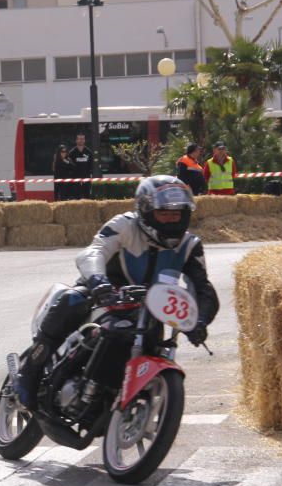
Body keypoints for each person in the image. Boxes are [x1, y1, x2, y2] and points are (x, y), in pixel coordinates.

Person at [14, 175, 219, 411]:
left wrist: (200, 321)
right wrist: (99, 283)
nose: (171, 220)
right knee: (72, 299)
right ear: (146, 211)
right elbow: (93, 252)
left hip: (147, 310)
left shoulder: (190, 245)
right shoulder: (124, 225)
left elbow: (203, 288)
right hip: (105, 295)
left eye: (177, 214)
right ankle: (30, 371)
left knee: (156, 340)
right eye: (164, 213)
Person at [69, 134, 93, 200]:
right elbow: (69, 166)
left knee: (87, 196)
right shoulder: (72, 153)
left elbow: (91, 165)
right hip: (75, 178)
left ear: (84, 140)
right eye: (79, 139)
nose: (81, 140)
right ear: (76, 140)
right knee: (76, 197)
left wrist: (90, 174)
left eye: (82, 139)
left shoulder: (89, 152)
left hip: (86, 178)